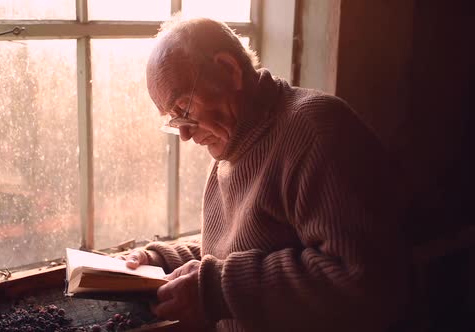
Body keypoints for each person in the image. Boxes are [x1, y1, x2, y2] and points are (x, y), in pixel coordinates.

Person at [120, 17, 409, 332]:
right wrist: (162, 260)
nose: (186, 134)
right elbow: (246, 245)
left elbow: (366, 281)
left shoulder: (316, 129)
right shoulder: (234, 142)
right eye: (174, 119)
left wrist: (217, 289)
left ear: (229, 70)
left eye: (185, 108)